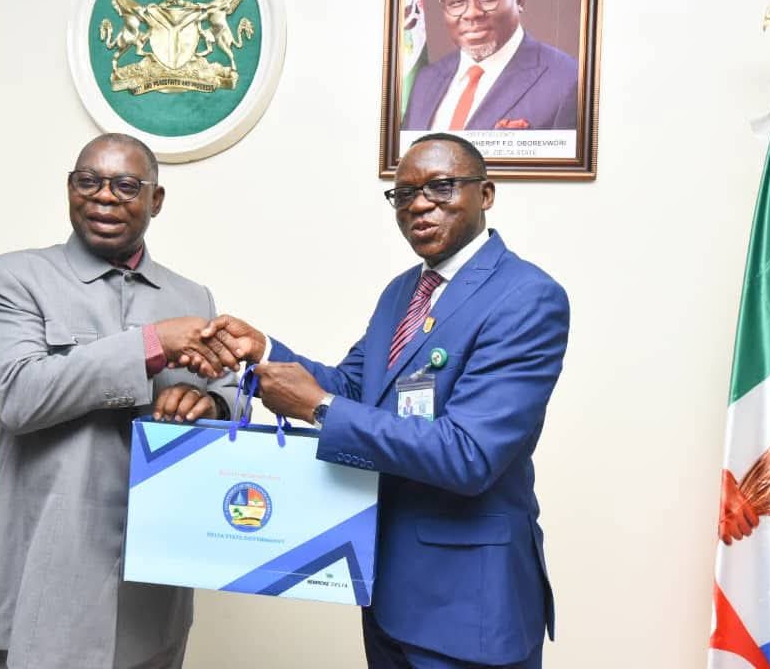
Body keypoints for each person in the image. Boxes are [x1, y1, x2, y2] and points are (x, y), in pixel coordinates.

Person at [200, 133, 569, 668]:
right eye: (405, 194)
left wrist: (318, 409)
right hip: (388, 595)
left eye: (441, 187)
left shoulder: (526, 296)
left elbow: (469, 455)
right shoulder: (403, 291)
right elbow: (355, 388)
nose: (419, 204)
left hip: (469, 607)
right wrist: (263, 352)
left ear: (485, 194)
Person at [0, 133, 241, 669]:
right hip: (47, 577)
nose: (104, 196)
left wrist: (208, 406)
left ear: (156, 200)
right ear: (70, 189)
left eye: (126, 185)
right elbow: (18, 396)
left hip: (154, 587)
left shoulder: (193, 297)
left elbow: (229, 393)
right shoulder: (8, 279)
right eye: (88, 182)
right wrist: (152, 345)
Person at [402, 0, 578, 132]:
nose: (472, 13)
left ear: (519, 0)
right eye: (456, 2)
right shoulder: (426, 80)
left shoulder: (568, 80)